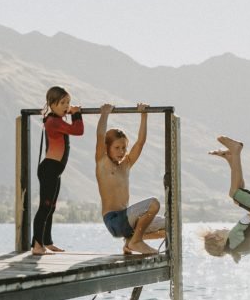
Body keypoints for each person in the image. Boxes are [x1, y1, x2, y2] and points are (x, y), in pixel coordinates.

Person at [96, 103, 165, 255]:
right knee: (153, 204)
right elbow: (100, 136)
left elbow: (140, 143)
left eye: (124, 148)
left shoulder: (126, 164)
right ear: (107, 148)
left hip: (127, 220)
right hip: (113, 220)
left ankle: (130, 242)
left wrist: (144, 115)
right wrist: (104, 114)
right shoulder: (102, 163)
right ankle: (136, 241)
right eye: (117, 148)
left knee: (170, 227)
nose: (121, 152)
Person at [32, 86, 84, 255]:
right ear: (52, 104)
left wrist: (70, 112)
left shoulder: (55, 119)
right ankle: (37, 245)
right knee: (44, 208)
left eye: (68, 102)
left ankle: (47, 242)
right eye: (62, 103)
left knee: (51, 207)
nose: (66, 106)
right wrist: (76, 114)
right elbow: (78, 130)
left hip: (55, 171)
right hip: (49, 169)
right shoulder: (54, 121)